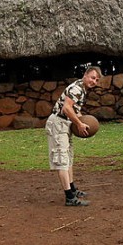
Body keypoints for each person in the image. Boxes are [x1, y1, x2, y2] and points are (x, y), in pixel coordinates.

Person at [45, 65, 102, 207]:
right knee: (62, 160)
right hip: (59, 124)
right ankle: (69, 198)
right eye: (92, 78)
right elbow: (66, 108)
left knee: (68, 158)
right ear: (85, 75)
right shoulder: (76, 89)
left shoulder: (81, 88)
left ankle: (72, 189)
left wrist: (81, 121)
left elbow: (74, 109)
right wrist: (79, 124)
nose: (94, 81)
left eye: (97, 80)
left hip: (65, 124)